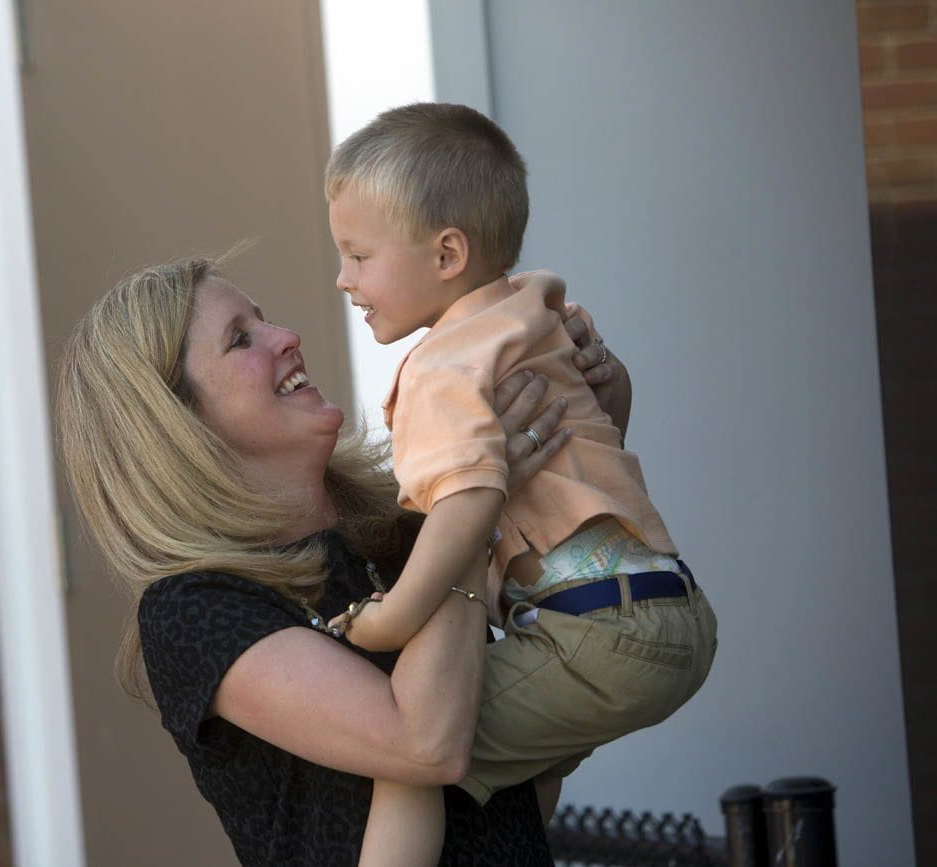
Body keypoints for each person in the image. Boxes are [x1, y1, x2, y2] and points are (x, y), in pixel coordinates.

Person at [55, 254, 626, 865]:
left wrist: (588, 385)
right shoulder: (197, 609)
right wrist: (471, 511)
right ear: (177, 423)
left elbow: (570, 560)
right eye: (241, 339)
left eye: (265, 320)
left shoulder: (406, 520)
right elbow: (424, 745)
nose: (286, 337)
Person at [324, 102, 718, 865]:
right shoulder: (532, 316)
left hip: (596, 634)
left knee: (407, 756)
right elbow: (597, 442)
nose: (343, 280)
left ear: (445, 255)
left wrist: (389, 618)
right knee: (519, 771)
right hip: (668, 609)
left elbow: (469, 501)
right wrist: (616, 381)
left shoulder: (446, 367)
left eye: (358, 255)